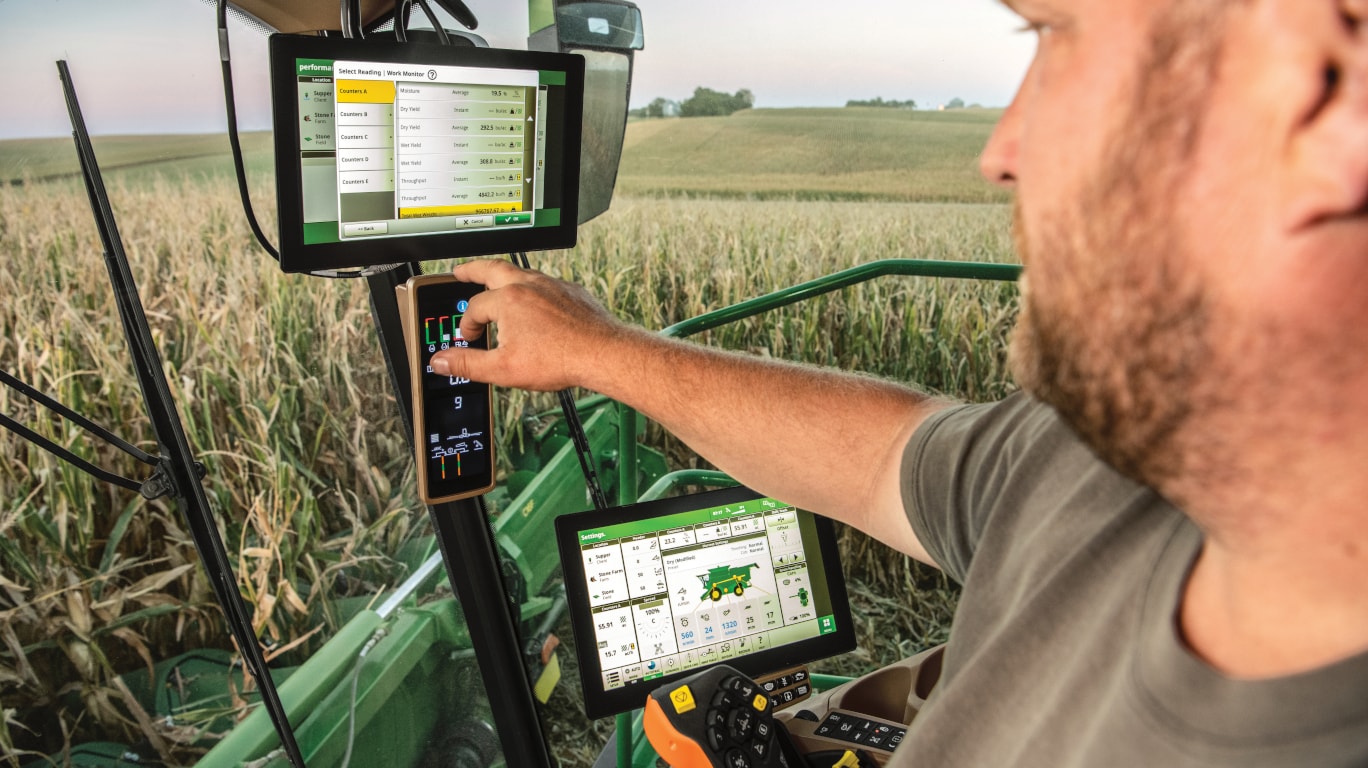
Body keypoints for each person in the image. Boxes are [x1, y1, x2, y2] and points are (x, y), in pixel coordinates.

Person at [432, 0, 1368, 763]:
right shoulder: (1112, 454)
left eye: (1056, 35)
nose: (1000, 152)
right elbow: (886, 459)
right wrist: (603, 350)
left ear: (1323, 95)